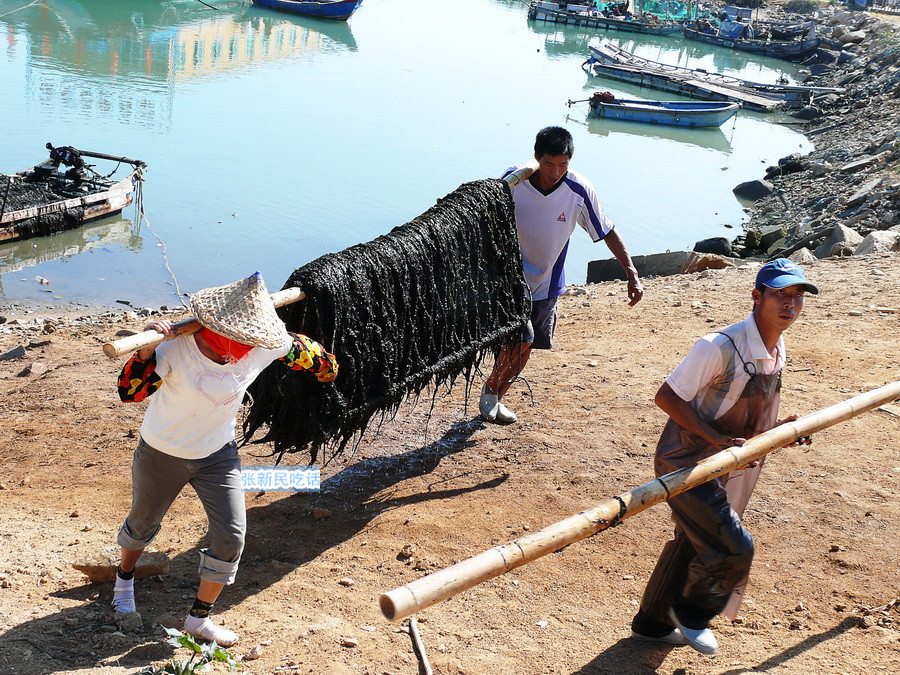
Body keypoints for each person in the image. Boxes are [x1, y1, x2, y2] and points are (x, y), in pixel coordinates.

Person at [112, 272, 337, 647]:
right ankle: (123, 581)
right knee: (143, 523)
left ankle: (198, 620)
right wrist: (145, 351)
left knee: (231, 538)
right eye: (242, 340)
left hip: (217, 455)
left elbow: (323, 364)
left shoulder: (266, 344)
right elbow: (129, 393)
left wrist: (321, 366)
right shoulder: (173, 349)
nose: (248, 348)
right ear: (218, 330)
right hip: (161, 451)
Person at [630, 259, 817, 655]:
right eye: (780, 294)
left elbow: (744, 415)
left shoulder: (776, 347)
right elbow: (667, 397)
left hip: (724, 462)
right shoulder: (717, 346)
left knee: (693, 540)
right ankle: (692, 614)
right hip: (685, 463)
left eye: (797, 297)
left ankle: (651, 624)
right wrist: (715, 439)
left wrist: (778, 433)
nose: (790, 305)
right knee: (734, 548)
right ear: (756, 296)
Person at [479, 126, 643, 424]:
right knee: (521, 337)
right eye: (549, 164)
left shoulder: (579, 190)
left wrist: (631, 272)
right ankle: (489, 393)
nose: (556, 172)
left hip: (548, 283)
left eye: (563, 165)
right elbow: (486, 214)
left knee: (528, 346)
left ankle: (495, 395)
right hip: (508, 280)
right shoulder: (514, 181)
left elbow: (606, 230)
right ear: (536, 158)